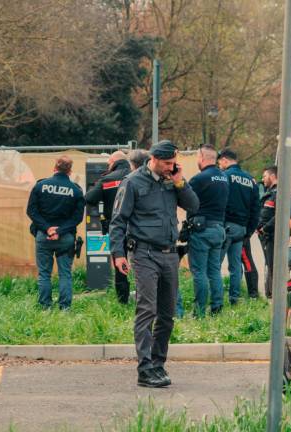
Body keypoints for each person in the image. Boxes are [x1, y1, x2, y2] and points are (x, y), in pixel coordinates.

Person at [109, 140, 199, 388]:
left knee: (167, 314)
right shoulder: (133, 182)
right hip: (144, 253)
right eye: (167, 163)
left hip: (170, 254)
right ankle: (145, 368)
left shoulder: (173, 180)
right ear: (154, 159)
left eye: (173, 163)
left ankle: (158, 364)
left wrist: (180, 181)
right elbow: (118, 221)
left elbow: (193, 206)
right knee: (147, 309)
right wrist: (117, 254)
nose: (171, 167)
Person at [26, 156, 85, 310]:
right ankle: (65, 308)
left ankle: (45, 306)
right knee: (65, 274)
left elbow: (31, 211)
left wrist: (47, 228)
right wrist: (60, 230)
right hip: (65, 238)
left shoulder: (40, 186)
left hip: (43, 236)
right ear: (70, 171)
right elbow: (77, 218)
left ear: (54, 168)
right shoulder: (76, 191)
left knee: (44, 274)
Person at [183, 145, 229, 317]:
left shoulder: (199, 179)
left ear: (202, 157)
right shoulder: (224, 177)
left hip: (202, 231)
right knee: (214, 271)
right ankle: (217, 308)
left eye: (197, 157)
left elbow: (188, 201)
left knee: (199, 272)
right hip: (219, 229)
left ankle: (199, 312)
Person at [85, 151, 132, 304]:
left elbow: (90, 198)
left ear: (113, 162)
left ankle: (123, 301)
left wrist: (101, 183)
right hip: (138, 228)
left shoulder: (107, 179)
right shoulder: (137, 176)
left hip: (116, 228)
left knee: (120, 264)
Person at [217, 149, 261, 302]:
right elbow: (256, 209)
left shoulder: (224, 176)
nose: (219, 165)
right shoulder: (251, 180)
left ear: (224, 160)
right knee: (235, 267)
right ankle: (234, 298)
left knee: (215, 264)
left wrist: (219, 224)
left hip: (226, 227)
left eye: (220, 162)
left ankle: (216, 300)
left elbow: (220, 201)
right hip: (241, 230)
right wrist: (248, 232)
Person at [257, 166, 278, 299]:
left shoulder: (279, 192)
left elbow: (280, 214)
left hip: (273, 235)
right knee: (269, 264)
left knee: (273, 265)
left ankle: (274, 296)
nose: (263, 179)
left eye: (264, 176)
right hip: (266, 236)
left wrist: (265, 228)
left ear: (272, 176)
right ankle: (269, 293)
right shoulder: (270, 192)